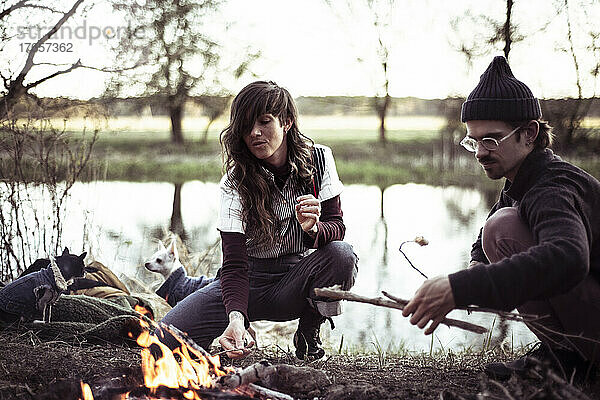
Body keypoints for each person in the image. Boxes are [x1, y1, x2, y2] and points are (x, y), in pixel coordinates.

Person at [401, 56, 600, 381]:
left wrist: (459, 288)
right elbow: (482, 243)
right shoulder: (522, 180)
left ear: (529, 133)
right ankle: (565, 356)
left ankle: (567, 356)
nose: (479, 152)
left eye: (491, 139)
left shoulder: (553, 187)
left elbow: (569, 258)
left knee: (503, 228)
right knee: (497, 228)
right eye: (473, 141)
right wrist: (476, 272)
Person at [154, 81, 358, 360]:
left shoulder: (319, 159)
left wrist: (313, 229)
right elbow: (235, 265)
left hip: (293, 284)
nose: (255, 133)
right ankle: (236, 331)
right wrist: (236, 318)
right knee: (162, 342)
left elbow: (337, 227)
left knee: (342, 255)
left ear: (286, 122)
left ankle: (310, 328)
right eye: (247, 125)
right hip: (245, 283)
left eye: (265, 121)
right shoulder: (233, 184)